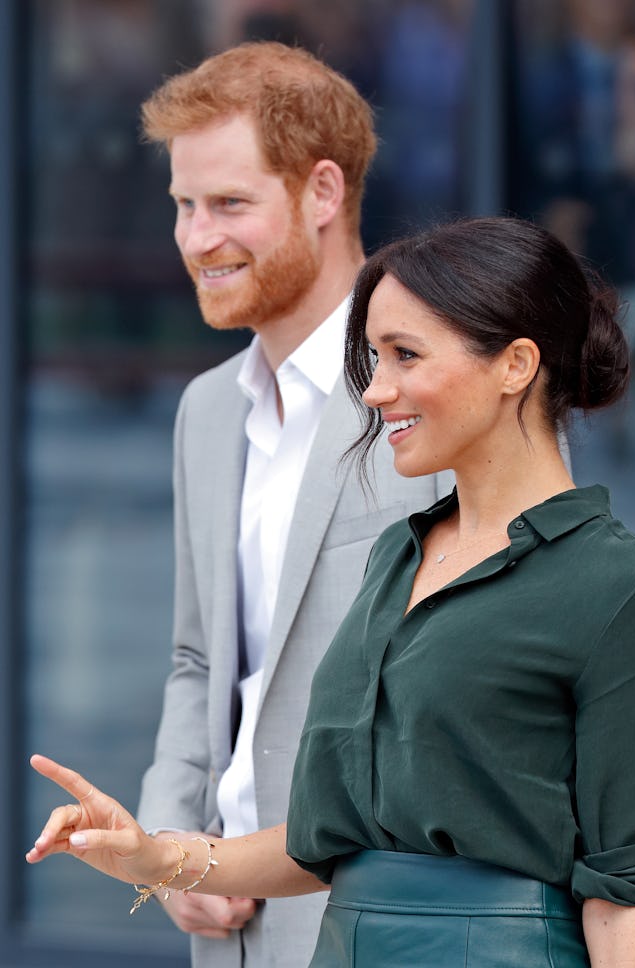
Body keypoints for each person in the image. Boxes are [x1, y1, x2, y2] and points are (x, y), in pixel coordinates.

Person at [27, 216, 635, 968]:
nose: (376, 390)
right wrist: (155, 858)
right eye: (374, 357)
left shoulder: (625, 591)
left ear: (515, 364)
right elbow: (327, 843)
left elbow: (621, 895)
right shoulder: (396, 557)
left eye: (405, 356)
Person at [130, 42, 450, 968]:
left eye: (230, 204)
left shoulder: (430, 396)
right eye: (185, 206)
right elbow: (199, 662)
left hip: (374, 923)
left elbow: (461, 696)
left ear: (322, 193)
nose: (197, 237)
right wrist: (169, 845)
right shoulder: (204, 413)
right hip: (225, 932)